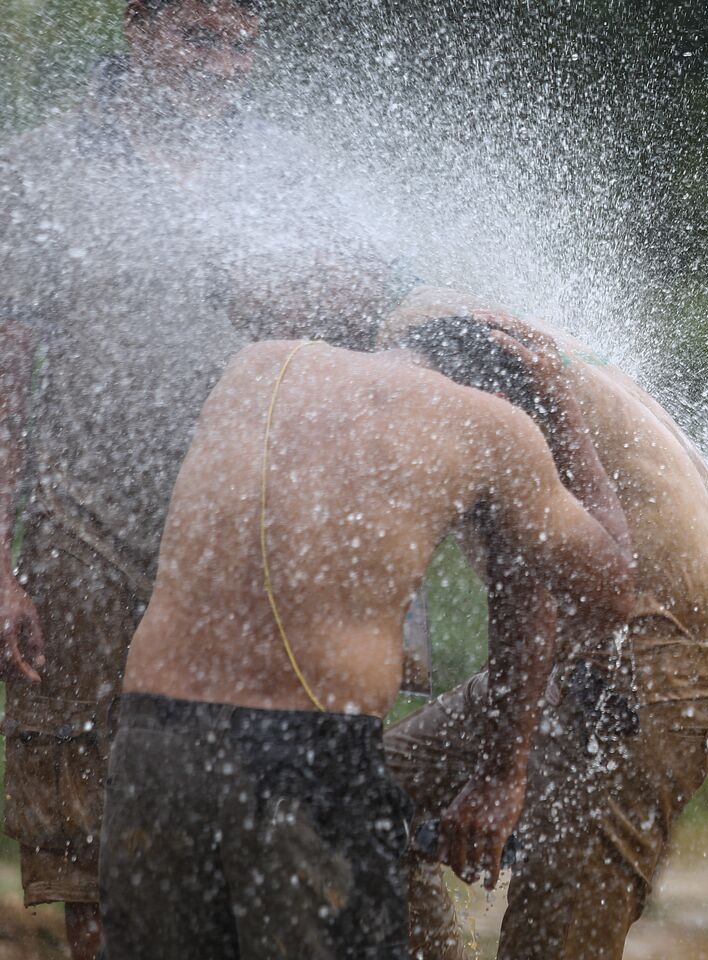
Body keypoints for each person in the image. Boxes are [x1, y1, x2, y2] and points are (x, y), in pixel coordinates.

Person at [0, 3, 391, 953]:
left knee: (265, 826)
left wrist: (313, 292)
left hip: (253, 554)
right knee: (83, 834)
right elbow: (6, 369)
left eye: (242, 43)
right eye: (198, 38)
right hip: (86, 539)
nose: (222, 65)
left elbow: (367, 332)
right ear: (138, 25)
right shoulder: (42, 167)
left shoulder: (290, 170)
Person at [98, 330, 634, 958]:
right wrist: (562, 414)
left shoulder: (263, 363)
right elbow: (614, 585)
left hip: (152, 742)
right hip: (302, 761)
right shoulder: (492, 423)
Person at [378, 290, 708, 960]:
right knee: (365, 801)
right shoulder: (452, 332)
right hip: (605, 652)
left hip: (658, 670)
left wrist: (502, 778)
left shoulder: (470, 370)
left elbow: (529, 587)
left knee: (555, 940)